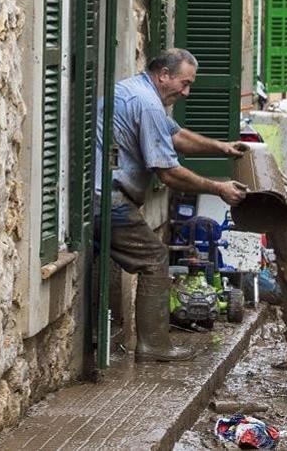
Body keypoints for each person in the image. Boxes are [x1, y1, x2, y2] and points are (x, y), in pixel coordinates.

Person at [94, 48, 249, 362]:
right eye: (184, 83)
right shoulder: (147, 103)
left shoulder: (136, 90)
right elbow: (167, 172)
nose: (187, 92)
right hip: (106, 199)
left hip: (102, 193)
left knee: (147, 255)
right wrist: (218, 187)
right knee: (154, 258)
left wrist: (222, 148)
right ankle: (154, 346)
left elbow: (176, 136)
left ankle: (141, 341)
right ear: (163, 74)